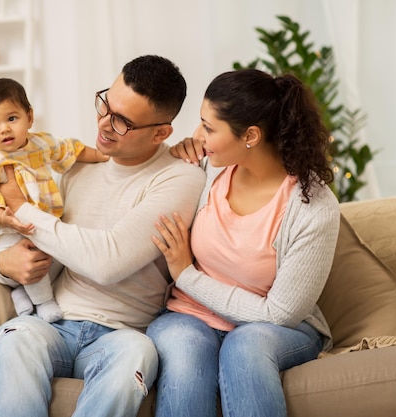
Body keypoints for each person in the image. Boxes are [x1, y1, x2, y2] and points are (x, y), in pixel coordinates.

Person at [0, 55, 206, 417]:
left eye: (122, 122)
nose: (103, 124)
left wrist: (21, 207)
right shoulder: (75, 171)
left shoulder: (180, 178)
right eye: (106, 104)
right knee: (12, 337)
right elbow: (45, 250)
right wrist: (4, 266)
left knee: (139, 352)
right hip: (54, 324)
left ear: (161, 133)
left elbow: (107, 262)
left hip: (121, 334)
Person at [146, 68, 341, 417]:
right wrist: (177, 156)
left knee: (245, 345)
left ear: (250, 135)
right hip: (188, 317)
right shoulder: (207, 170)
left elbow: (280, 314)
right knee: (186, 349)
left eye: (209, 128)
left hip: (275, 329)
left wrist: (186, 275)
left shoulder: (312, 206)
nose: (197, 135)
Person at [0, 78, 108, 323]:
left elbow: (70, 150)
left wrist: (102, 155)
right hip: (0, 228)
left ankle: (21, 292)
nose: (4, 129)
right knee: (30, 254)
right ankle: (44, 302)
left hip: (34, 223)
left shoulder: (41, 144)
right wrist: (5, 217)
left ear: (29, 117)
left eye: (12, 119)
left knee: (53, 256)